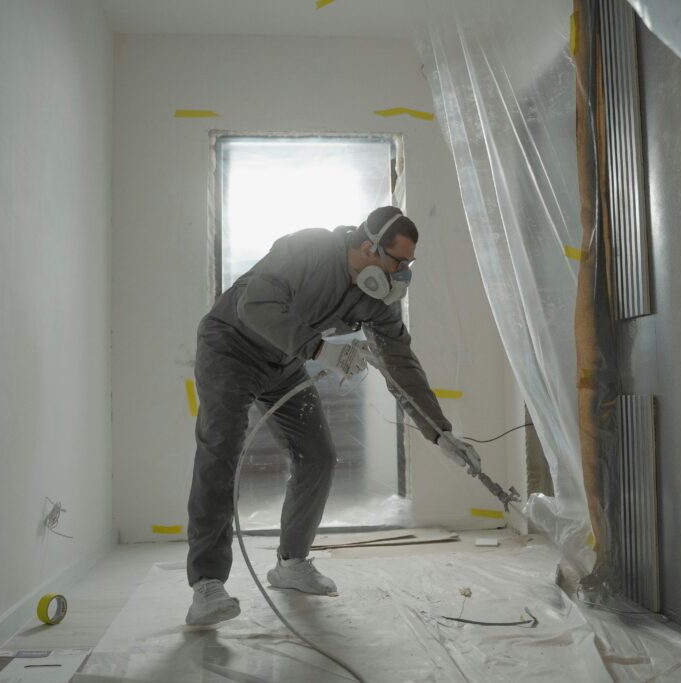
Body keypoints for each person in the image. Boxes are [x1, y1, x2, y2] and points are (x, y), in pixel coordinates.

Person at [185, 206, 482, 626]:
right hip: (230, 348)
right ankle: (206, 584)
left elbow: (401, 362)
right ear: (367, 247)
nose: (403, 275)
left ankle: (291, 564)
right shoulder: (307, 248)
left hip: (284, 360)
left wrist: (440, 434)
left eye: (409, 265)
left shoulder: (373, 297)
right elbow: (256, 304)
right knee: (221, 452)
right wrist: (321, 350)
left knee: (318, 455)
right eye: (398, 263)